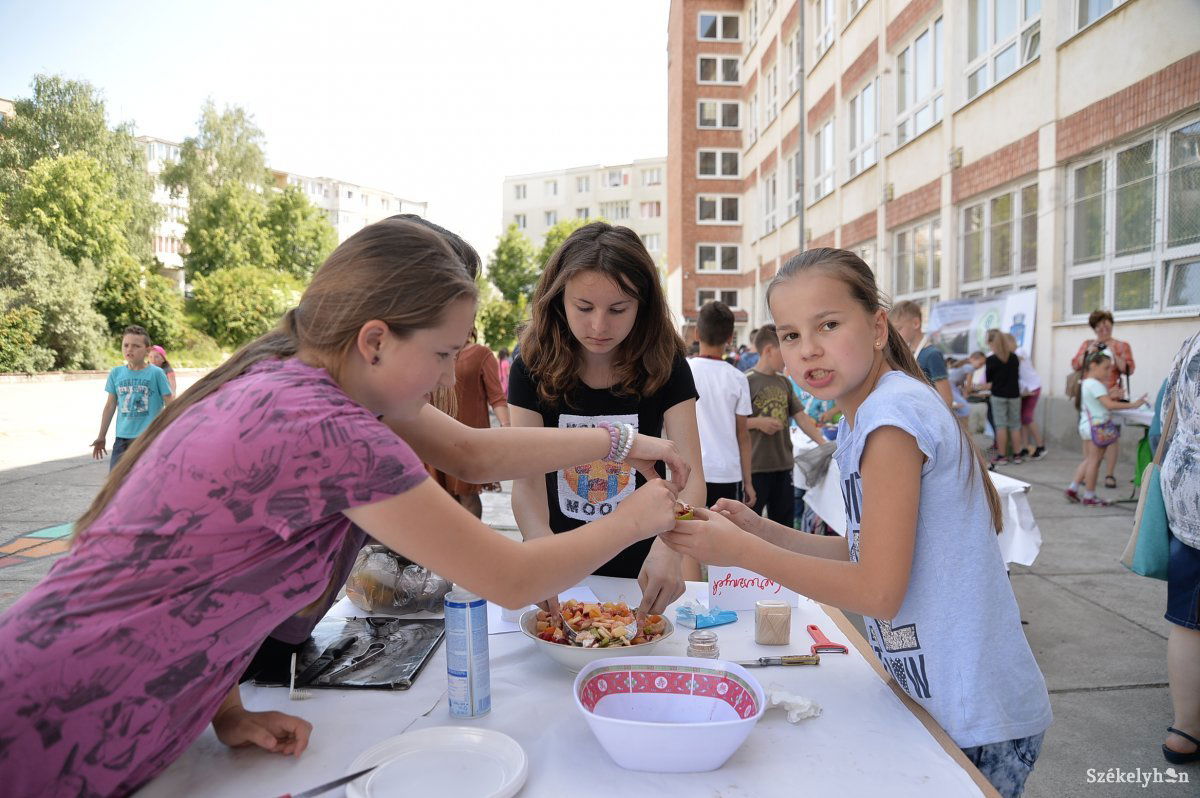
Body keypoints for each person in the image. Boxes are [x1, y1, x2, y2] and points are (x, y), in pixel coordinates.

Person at [0, 219, 691, 796]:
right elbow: (508, 579)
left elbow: (473, 455)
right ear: (375, 339)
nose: (452, 375)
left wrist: (224, 707)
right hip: (55, 714)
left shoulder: (299, 375)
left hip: (93, 704)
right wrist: (635, 519)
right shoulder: (331, 429)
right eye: (445, 352)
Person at [663, 248, 1052, 798]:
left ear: (876, 327)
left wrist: (742, 553)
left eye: (828, 324)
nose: (808, 350)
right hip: (944, 700)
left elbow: (876, 590)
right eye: (791, 335)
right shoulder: (865, 416)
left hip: (976, 717)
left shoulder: (891, 419)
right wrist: (760, 531)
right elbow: (861, 551)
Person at [508, 221, 706, 617]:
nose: (599, 326)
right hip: (564, 564)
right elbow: (526, 481)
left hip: (647, 564)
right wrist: (540, 551)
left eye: (618, 309)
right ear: (558, 299)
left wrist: (669, 545)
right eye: (584, 308)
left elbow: (691, 474)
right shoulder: (530, 366)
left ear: (643, 305)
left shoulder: (667, 363)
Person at [1159, 331, 1200, 765]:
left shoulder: (1191, 341)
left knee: (1189, 619)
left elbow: (1165, 411)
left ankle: (1184, 729)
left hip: (1186, 489)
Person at [747, 324, 825, 527]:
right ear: (768, 350)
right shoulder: (745, 381)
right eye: (784, 351)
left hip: (783, 465)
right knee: (749, 523)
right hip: (755, 467)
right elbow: (730, 423)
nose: (788, 358)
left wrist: (823, 444)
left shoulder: (785, 382)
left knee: (784, 523)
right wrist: (757, 422)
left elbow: (801, 418)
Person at [428, 331, 512, 518]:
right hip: (434, 434)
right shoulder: (431, 349)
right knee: (442, 496)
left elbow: (496, 397)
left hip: (467, 438)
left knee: (467, 495)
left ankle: (470, 543)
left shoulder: (481, 354)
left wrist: (506, 427)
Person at [688, 300, 755, 508]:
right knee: (725, 536)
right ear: (729, 337)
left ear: (697, 334)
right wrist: (749, 482)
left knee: (689, 533)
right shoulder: (738, 378)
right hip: (728, 472)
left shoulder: (684, 371)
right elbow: (743, 435)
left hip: (691, 472)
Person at [1065, 351, 1147, 507]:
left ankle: (1073, 488)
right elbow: (1108, 405)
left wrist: (1111, 394)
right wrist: (1134, 404)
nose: (1109, 371)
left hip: (1088, 425)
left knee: (1089, 459)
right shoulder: (1095, 384)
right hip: (1098, 426)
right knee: (1094, 462)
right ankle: (1089, 496)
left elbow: (1100, 401)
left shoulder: (1086, 382)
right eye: (1106, 367)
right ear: (1093, 365)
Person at [91, 325, 173, 470]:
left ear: (147, 351)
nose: (129, 349)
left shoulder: (157, 374)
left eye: (136, 346)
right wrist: (101, 435)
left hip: (148, 438)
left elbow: (170, 404)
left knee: (144, 483)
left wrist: (171, 433)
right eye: (126, 345)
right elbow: (110, 405)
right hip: (122, 439)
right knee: (116, 484)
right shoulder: (116, 373)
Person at [1071, 310, 1135, 489]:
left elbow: (1129, 369)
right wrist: (1088, 352)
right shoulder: (1087, 344)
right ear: (1094, 328)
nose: (1103, 329)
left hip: (1111, 394)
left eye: (1106, 325)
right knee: (1089, 436)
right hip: (1090, 397)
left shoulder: (1122, 345)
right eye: (1099, 326)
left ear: (1111, 325)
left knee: (1111, 436)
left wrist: (1114, 354)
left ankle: (1109, 474)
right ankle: (1089, 471)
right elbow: (1076, 364)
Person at [889, 300, 954, 409]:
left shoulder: (932, 354)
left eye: (899, 329)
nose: (895, 335)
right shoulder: (906, 353)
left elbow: (947, 399)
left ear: (916, 323)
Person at [981, 328, 1024, 465]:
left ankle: (1002, 456)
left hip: (998, 395)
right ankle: (1017, 455)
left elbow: (989, 380)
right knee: (1015, 425)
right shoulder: (1014, 357)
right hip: (1014, 395)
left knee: (1001, 426)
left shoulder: (991, 359)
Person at [1007, 334, 1046, 460]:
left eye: (1007, 344)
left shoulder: (1020, 351)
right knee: (1022, 419)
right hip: (1024, 390)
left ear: (1013, 342)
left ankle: (1040, 446)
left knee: (1027, 417)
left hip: (1033, 387)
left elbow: (1019, 358)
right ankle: (1025, 446)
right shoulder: (1011, 355)